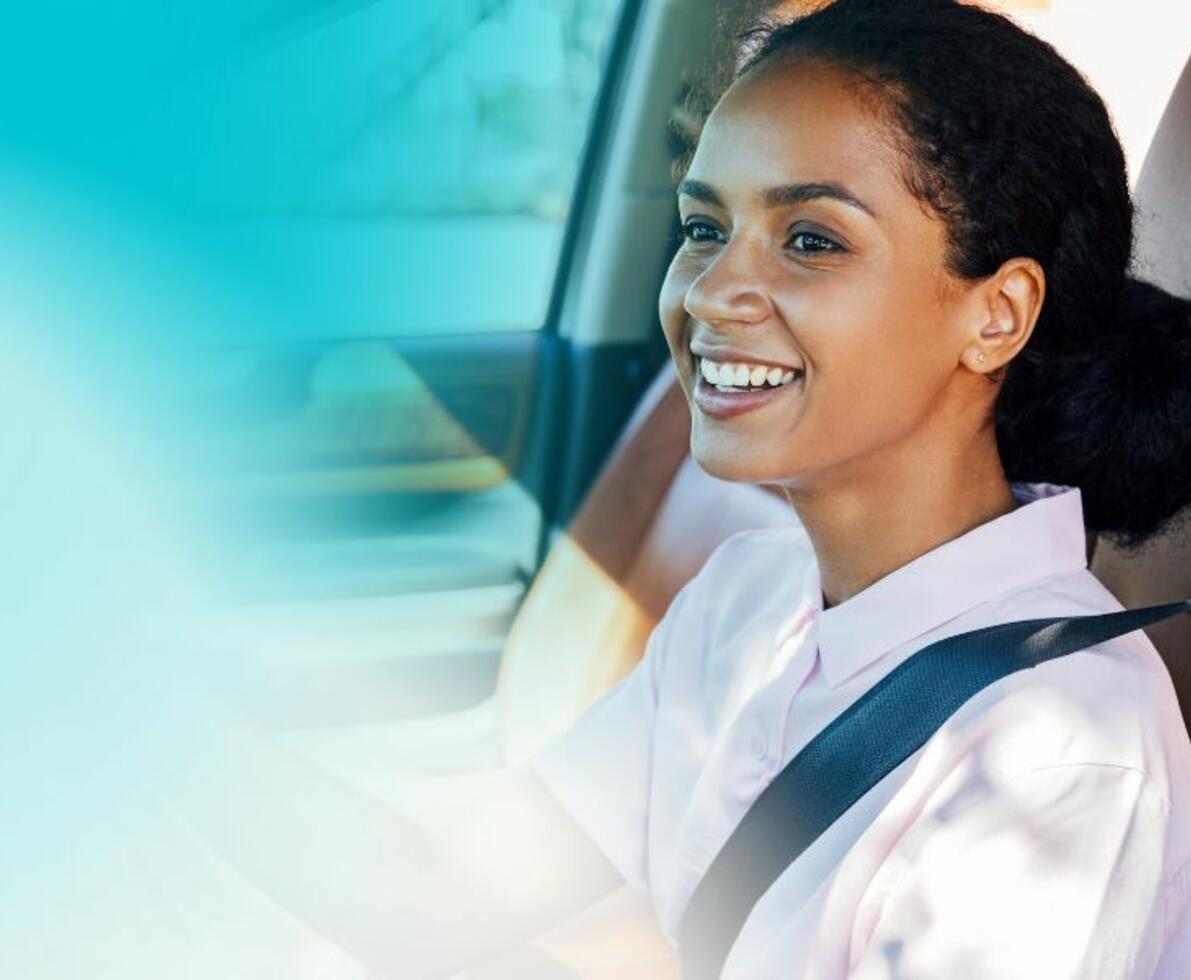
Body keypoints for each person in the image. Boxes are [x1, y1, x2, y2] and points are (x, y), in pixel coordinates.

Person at [177, 1, 1191, 977]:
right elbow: (435, 887)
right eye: (705, 228)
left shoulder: (1058, 745)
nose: (708, 290)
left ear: (998, 315)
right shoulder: (745, 602)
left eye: (810, 240)